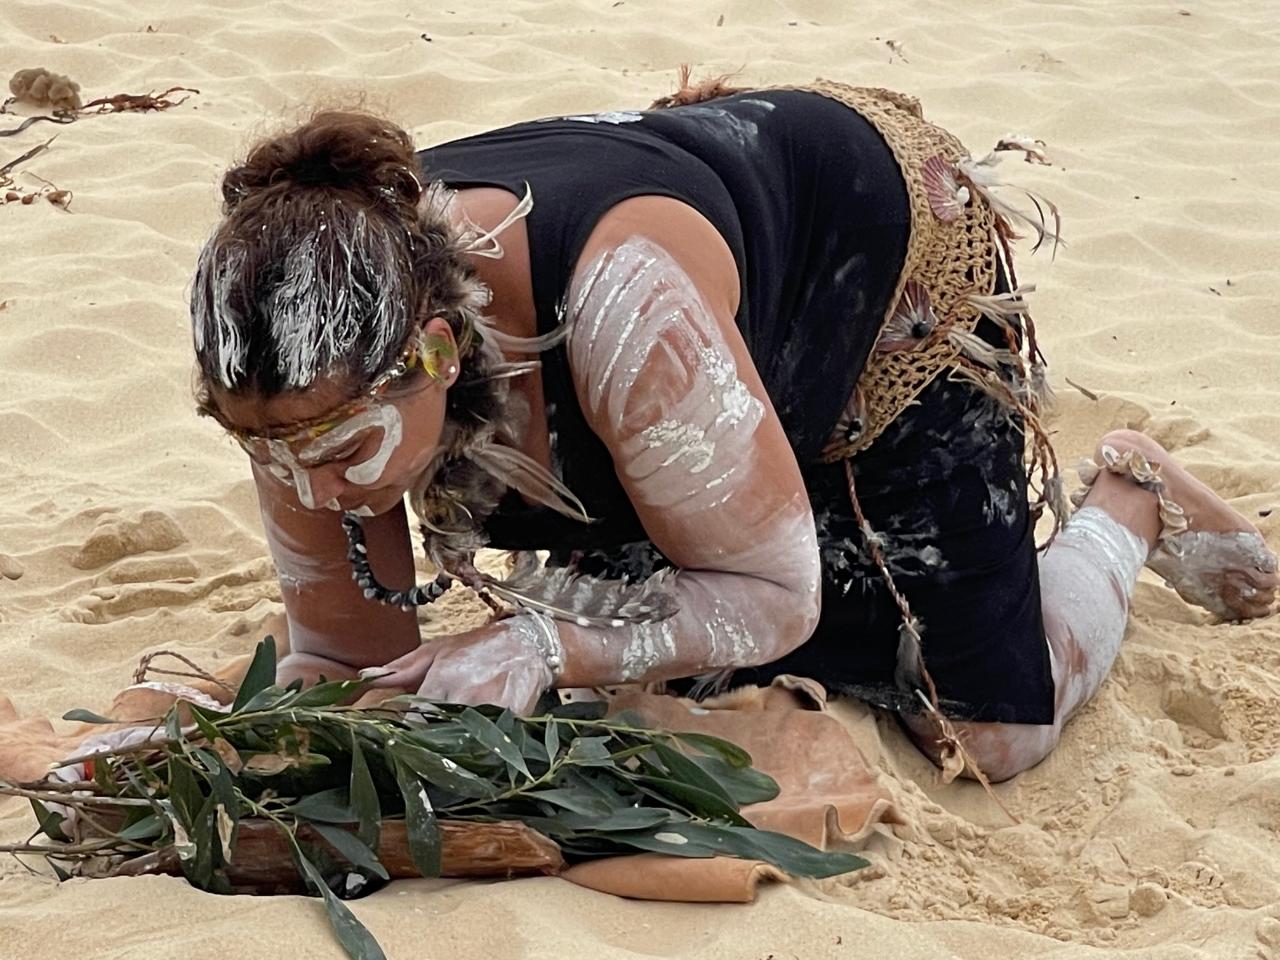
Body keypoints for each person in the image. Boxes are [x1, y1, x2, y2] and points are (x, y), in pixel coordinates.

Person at [189, 76, 1277, 782]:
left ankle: (1129, 505)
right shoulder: (298, 377)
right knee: (653, 675)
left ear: (432, 350)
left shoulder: (624, 309)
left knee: (984, 733)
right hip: (669, 345)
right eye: (264, 453)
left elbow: (771, 593)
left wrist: (540, 638)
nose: (308, 488)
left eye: (333, 454)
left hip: (866, 290)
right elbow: (344, 664)